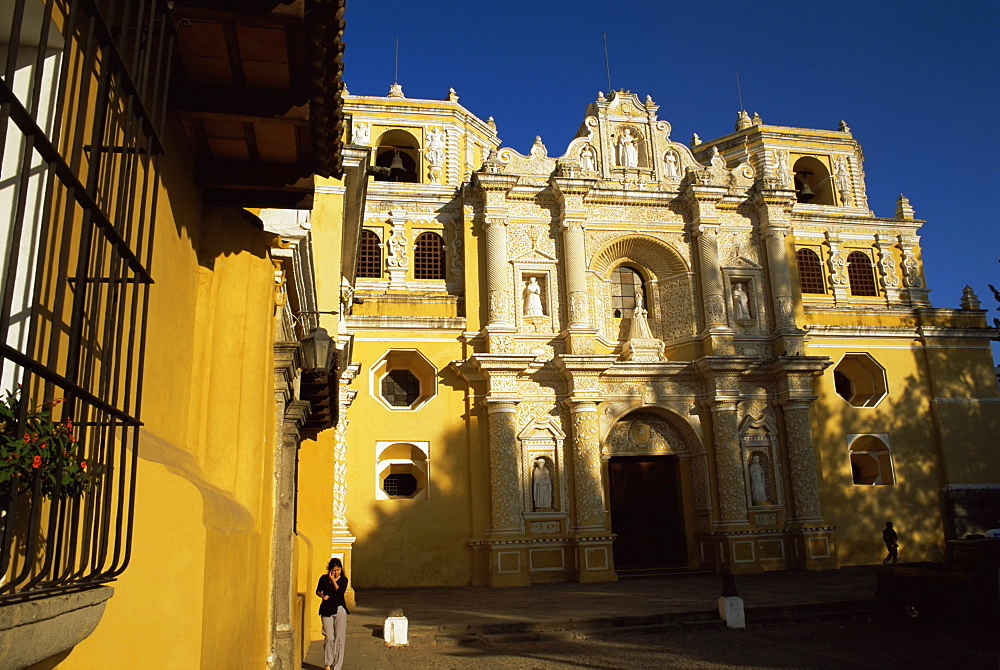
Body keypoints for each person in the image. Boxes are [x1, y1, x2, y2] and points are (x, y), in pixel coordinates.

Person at [316, 557, 349, 670]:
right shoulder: (324, 579)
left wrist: (334, 580)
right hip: (326, 609)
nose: (336, 572)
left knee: (339, 638)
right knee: (329, 636)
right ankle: (328, 663)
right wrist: (322, 596)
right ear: (330, 569)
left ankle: (337, 666)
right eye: (334, 570)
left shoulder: (344, 580)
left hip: (340, 608)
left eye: (338, 570)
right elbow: (318, 591)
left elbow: (340, 593)